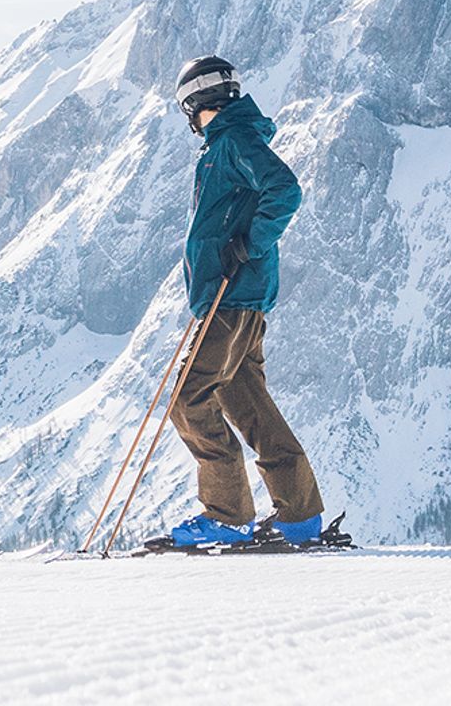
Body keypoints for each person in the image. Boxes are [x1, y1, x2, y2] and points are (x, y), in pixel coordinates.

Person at [165, 55, 326, 547]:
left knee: (187, 400)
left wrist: (247, 245)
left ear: (192, 103)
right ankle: (299, 516)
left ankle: (228, 514)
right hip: (236, 297)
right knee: (250, 405)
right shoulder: (227, 143)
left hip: (230, 299)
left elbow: (285, 190)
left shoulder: (233, 140)